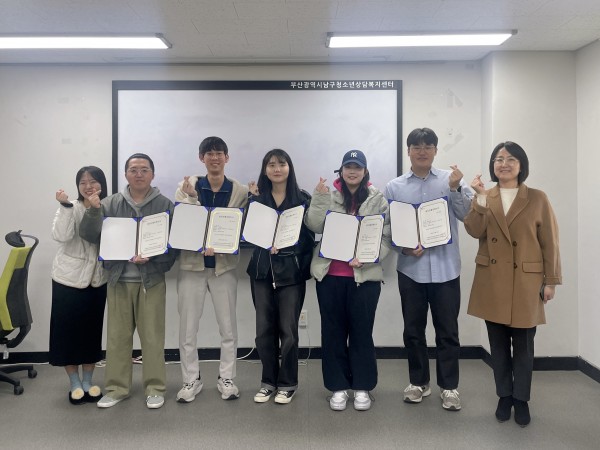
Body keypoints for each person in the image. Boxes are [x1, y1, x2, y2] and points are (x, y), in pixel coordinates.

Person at [465, 141, 561, 427]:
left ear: (521, 165)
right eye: (498, 159)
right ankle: (504, 396)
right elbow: (474, 230)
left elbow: (550, 242)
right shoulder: (486, 196)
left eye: (510, 159)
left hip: (526, 281)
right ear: (492, 165)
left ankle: (521, 399)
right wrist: (480, 198)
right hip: (492, 280)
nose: (503, 164)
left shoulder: (537, 198)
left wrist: (551, 281)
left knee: (523, 346)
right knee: (497, 346)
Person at [384, 127, 472, 411]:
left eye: (428, 146)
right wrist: (404, 248)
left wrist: (455, 189)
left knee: (448, 332)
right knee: (413, 331)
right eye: (417, 146)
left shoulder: (451, 179)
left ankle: (449, 387)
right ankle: (418, 382)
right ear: (408, 151)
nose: (422, 151)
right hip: (411, 269)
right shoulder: (394, 187)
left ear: (435, 150)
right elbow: (387, 228)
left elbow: (466, 215)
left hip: (447, 269)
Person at [79, 153, 177, 410]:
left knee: (152, 338)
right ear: (125, 174)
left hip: (151, 282)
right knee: (118, 338)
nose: (139, 174)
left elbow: (173, 246)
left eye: (144, 169)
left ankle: (155, 388)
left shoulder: (165, 205)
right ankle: (116, 388)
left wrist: (153, 259)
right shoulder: (109, 203)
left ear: (152, 174)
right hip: (118, 280)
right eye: (133, 169)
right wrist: (93, 210)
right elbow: (89, 235)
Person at [305, 149, 391, 412]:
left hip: (364, 278)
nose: (352, 172)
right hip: (330, 276)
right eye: (348, 167)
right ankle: (338, 387)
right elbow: (314, 225)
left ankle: (362, 386)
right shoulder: (329, 196)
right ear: (341, 171)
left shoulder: (378, 199)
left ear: (365, 172)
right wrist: (319, 198)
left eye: (357, 167)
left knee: (362, 333)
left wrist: (369, 257)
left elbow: (386, 236)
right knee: (333, 333)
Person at [174, 136, 248, 402]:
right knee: (187, 329)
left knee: (228, 328)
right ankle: (190, 380)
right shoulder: (186, 187)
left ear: (227, 158)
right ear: (201, 158)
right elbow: (184, 223)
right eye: (209, 153)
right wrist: (193, 199)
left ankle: (226, 378)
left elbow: (241, 227)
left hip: (223, 268)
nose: (214, 158)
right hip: (192, 266)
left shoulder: (239, 191)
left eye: (219, 153)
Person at [246, 149, 314, 405]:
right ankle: (268, 382)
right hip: (261, 271)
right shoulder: (257, 200)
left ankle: (287, 383)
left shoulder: (302, 199)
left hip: (291, 274)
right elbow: (246, 233)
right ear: (265, 170)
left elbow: (309, 239)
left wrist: (287, 246)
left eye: (282, 164)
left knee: (288, 331)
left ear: (289, 168)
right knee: (264, 331)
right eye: (271, 165)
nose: (277, 169)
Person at [50, 166, 108, 405]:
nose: (88, 186)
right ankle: (74, 382)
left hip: (97, 279)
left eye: (93, 181)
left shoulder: (108, 208)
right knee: (68, 334)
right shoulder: (70, 207)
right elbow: (61, 236)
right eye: (83, 182)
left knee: (91, 333)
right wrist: (64, 206)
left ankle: (88, 381)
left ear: (102, 184)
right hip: (68, 279)